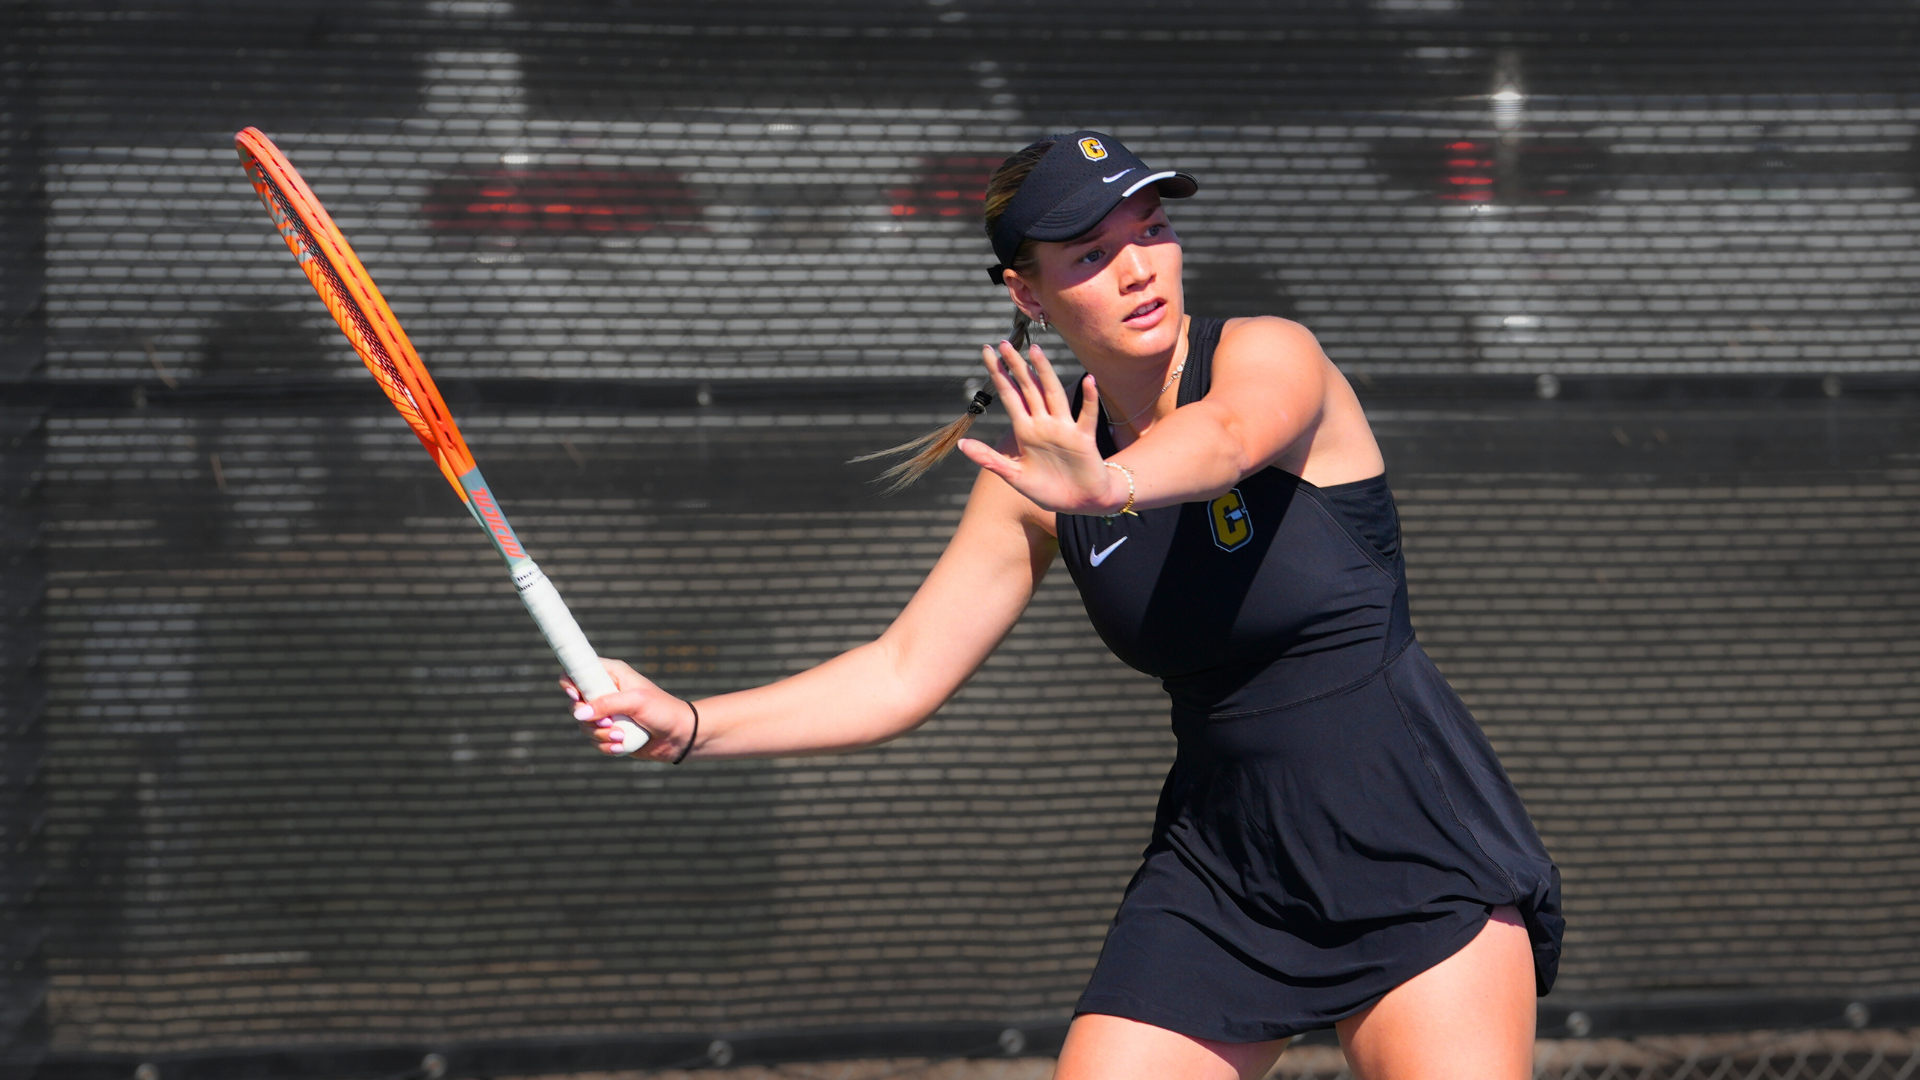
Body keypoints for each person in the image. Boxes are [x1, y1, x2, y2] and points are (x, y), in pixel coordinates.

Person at [565, 131, 1564, 1080]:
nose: (1141, 269)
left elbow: (1221, 437)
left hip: (1413, 847)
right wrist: (689, 725)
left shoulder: (1269, 356)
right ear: (1028, 294)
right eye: (1093, 252)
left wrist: (1112, 486)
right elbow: (904, 669)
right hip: (1222, 871)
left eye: (1152, 232)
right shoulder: (1031, 478)